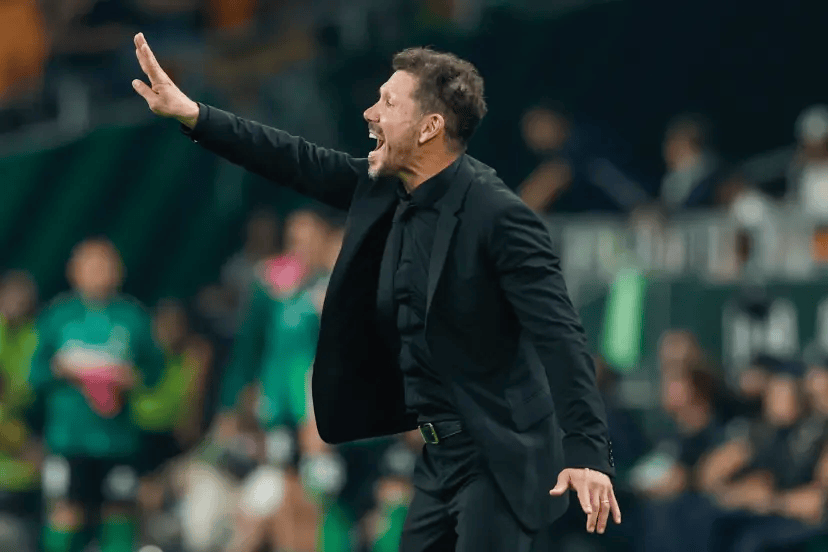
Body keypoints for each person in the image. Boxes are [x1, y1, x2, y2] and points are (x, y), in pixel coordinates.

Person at [132, 32, 619, 551]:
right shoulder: (383, 189)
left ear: (430, 127)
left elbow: (560, 336)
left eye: (388, 102)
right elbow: (291, 158)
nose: (370, 112)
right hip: (436, 456)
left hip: (502, 454)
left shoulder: (500, 218)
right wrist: (193, 114)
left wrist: (587, 452)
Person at [28, 238, 166, 552]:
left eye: (105, 265)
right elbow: (35, 373)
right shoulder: (58, 316)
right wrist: (63, 371)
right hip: (69, 438)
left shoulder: (132, 317)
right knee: (66, 512)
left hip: (116, 440)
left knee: (119, 511)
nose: (98, 272)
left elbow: (155, 370)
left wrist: (130, 378)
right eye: (90, 265)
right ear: (73, 271)